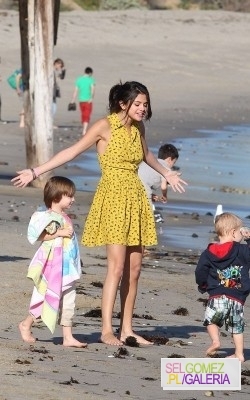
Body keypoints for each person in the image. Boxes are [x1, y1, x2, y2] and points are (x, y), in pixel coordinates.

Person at [12, 80, 187, 346]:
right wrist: (35, 171)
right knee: (115, 268)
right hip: (114, 197)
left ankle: (127, 329)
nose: (142, 109)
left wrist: (167, 173)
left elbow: (147, 155)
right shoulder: (104, 126)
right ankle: (107, 330)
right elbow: (72, 151)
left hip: (136, 198)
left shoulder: (138, 127)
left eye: (145, 104)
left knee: (135, 268)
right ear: (123, 103)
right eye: (137, 104)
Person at [18, 176, 87, 348]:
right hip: (52, 267)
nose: (73, 199)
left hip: (67, 266)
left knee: (69, 300)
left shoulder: (64, 216)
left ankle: (68, 336)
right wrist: (59, 233)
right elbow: (38, 236)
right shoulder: (47, 216)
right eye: (69, 196)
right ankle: (26, 324)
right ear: (57, 196)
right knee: (45, 297)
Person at [195, 212, 250, 362]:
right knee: (236, 327)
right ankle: (239, 353)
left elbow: (200, 271)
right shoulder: (242, 250)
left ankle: (215, 341)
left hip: (217, 294)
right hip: (237, 296)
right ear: (233, 233)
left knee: (211, 320)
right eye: (240, 232)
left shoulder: (208, 252)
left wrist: (203, 284)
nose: (241, 235)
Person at [70, 67, 96, 135]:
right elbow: (93, 90)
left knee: (83, 114)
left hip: (81, 100)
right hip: (88, 100)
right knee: (87, 114)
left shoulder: (79, 80)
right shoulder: (91, 80)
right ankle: (84, 130)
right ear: (90, 73)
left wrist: (72, 100)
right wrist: (91, 98)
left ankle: (84, 128)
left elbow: (75, 91)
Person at [53, 58, 65, 127]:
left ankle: (50, 122)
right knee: (53, 107)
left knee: (53, 106)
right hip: (51, 90)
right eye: (60, 66)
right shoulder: (52, 70)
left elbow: (61, 78)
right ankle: (50, 123)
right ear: (56, 64)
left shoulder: (55, 71)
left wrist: (62, 71)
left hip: (54, 90)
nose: (60, 68)